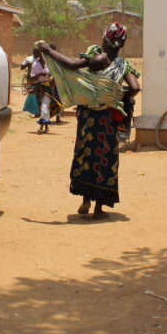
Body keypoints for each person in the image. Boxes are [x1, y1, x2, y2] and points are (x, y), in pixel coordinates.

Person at [38, 23, 141, 219]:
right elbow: (134, 88)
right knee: (106, 159)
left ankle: (85, 200)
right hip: (108, 118)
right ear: (122, 43)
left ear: (105, 39)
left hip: (88, 118)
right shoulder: (122, 65)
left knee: (85, 154)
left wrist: (50, 51)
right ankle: (99, 209)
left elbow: (70, 65)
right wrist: (114, 93)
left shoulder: (94, 56)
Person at [20, 47, 57, 133]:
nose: (42, 55)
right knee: (42, 107)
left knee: (45, 106)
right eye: (41, 53)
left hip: (49, 88)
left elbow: (55, 76)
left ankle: (42, 127)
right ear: (38, 54)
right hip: (38, 87)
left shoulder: (50, 64)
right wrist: (40, 74)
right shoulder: (35, 64)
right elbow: (32, 79)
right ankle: (45, 126)